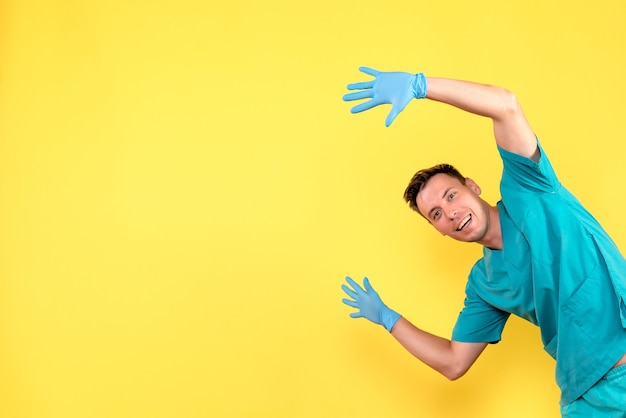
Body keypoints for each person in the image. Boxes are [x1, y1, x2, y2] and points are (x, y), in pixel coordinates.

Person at [340, 66, 626, 417]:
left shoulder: (529, 187)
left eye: (450, 196)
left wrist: (421, 85)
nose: (450, 213)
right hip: (588, 399)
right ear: (439, 230)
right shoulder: (485, 284)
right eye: (436, 215)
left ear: (472, 186)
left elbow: (504, 105)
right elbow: (453, 362)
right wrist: (388, 318)